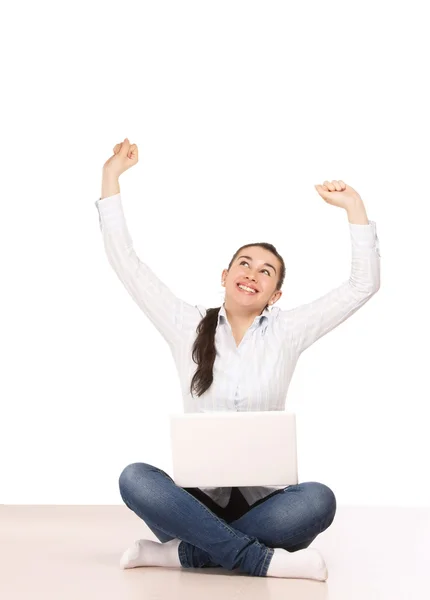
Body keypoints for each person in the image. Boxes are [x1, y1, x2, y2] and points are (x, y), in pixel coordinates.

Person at [95, 138, 381, 580]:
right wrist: (110, 177)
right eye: (244, 265)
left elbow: (361, 287)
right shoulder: (185, 324)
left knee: (318, 500)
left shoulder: (288, 331)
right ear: (225, 276)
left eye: (266, 271)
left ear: (276, 294)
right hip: (195, 499)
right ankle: (256, 558)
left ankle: (182, 554)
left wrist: (355, 209)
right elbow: (127, 263)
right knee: (135, 478)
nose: (252, 274)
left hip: (264, 503)